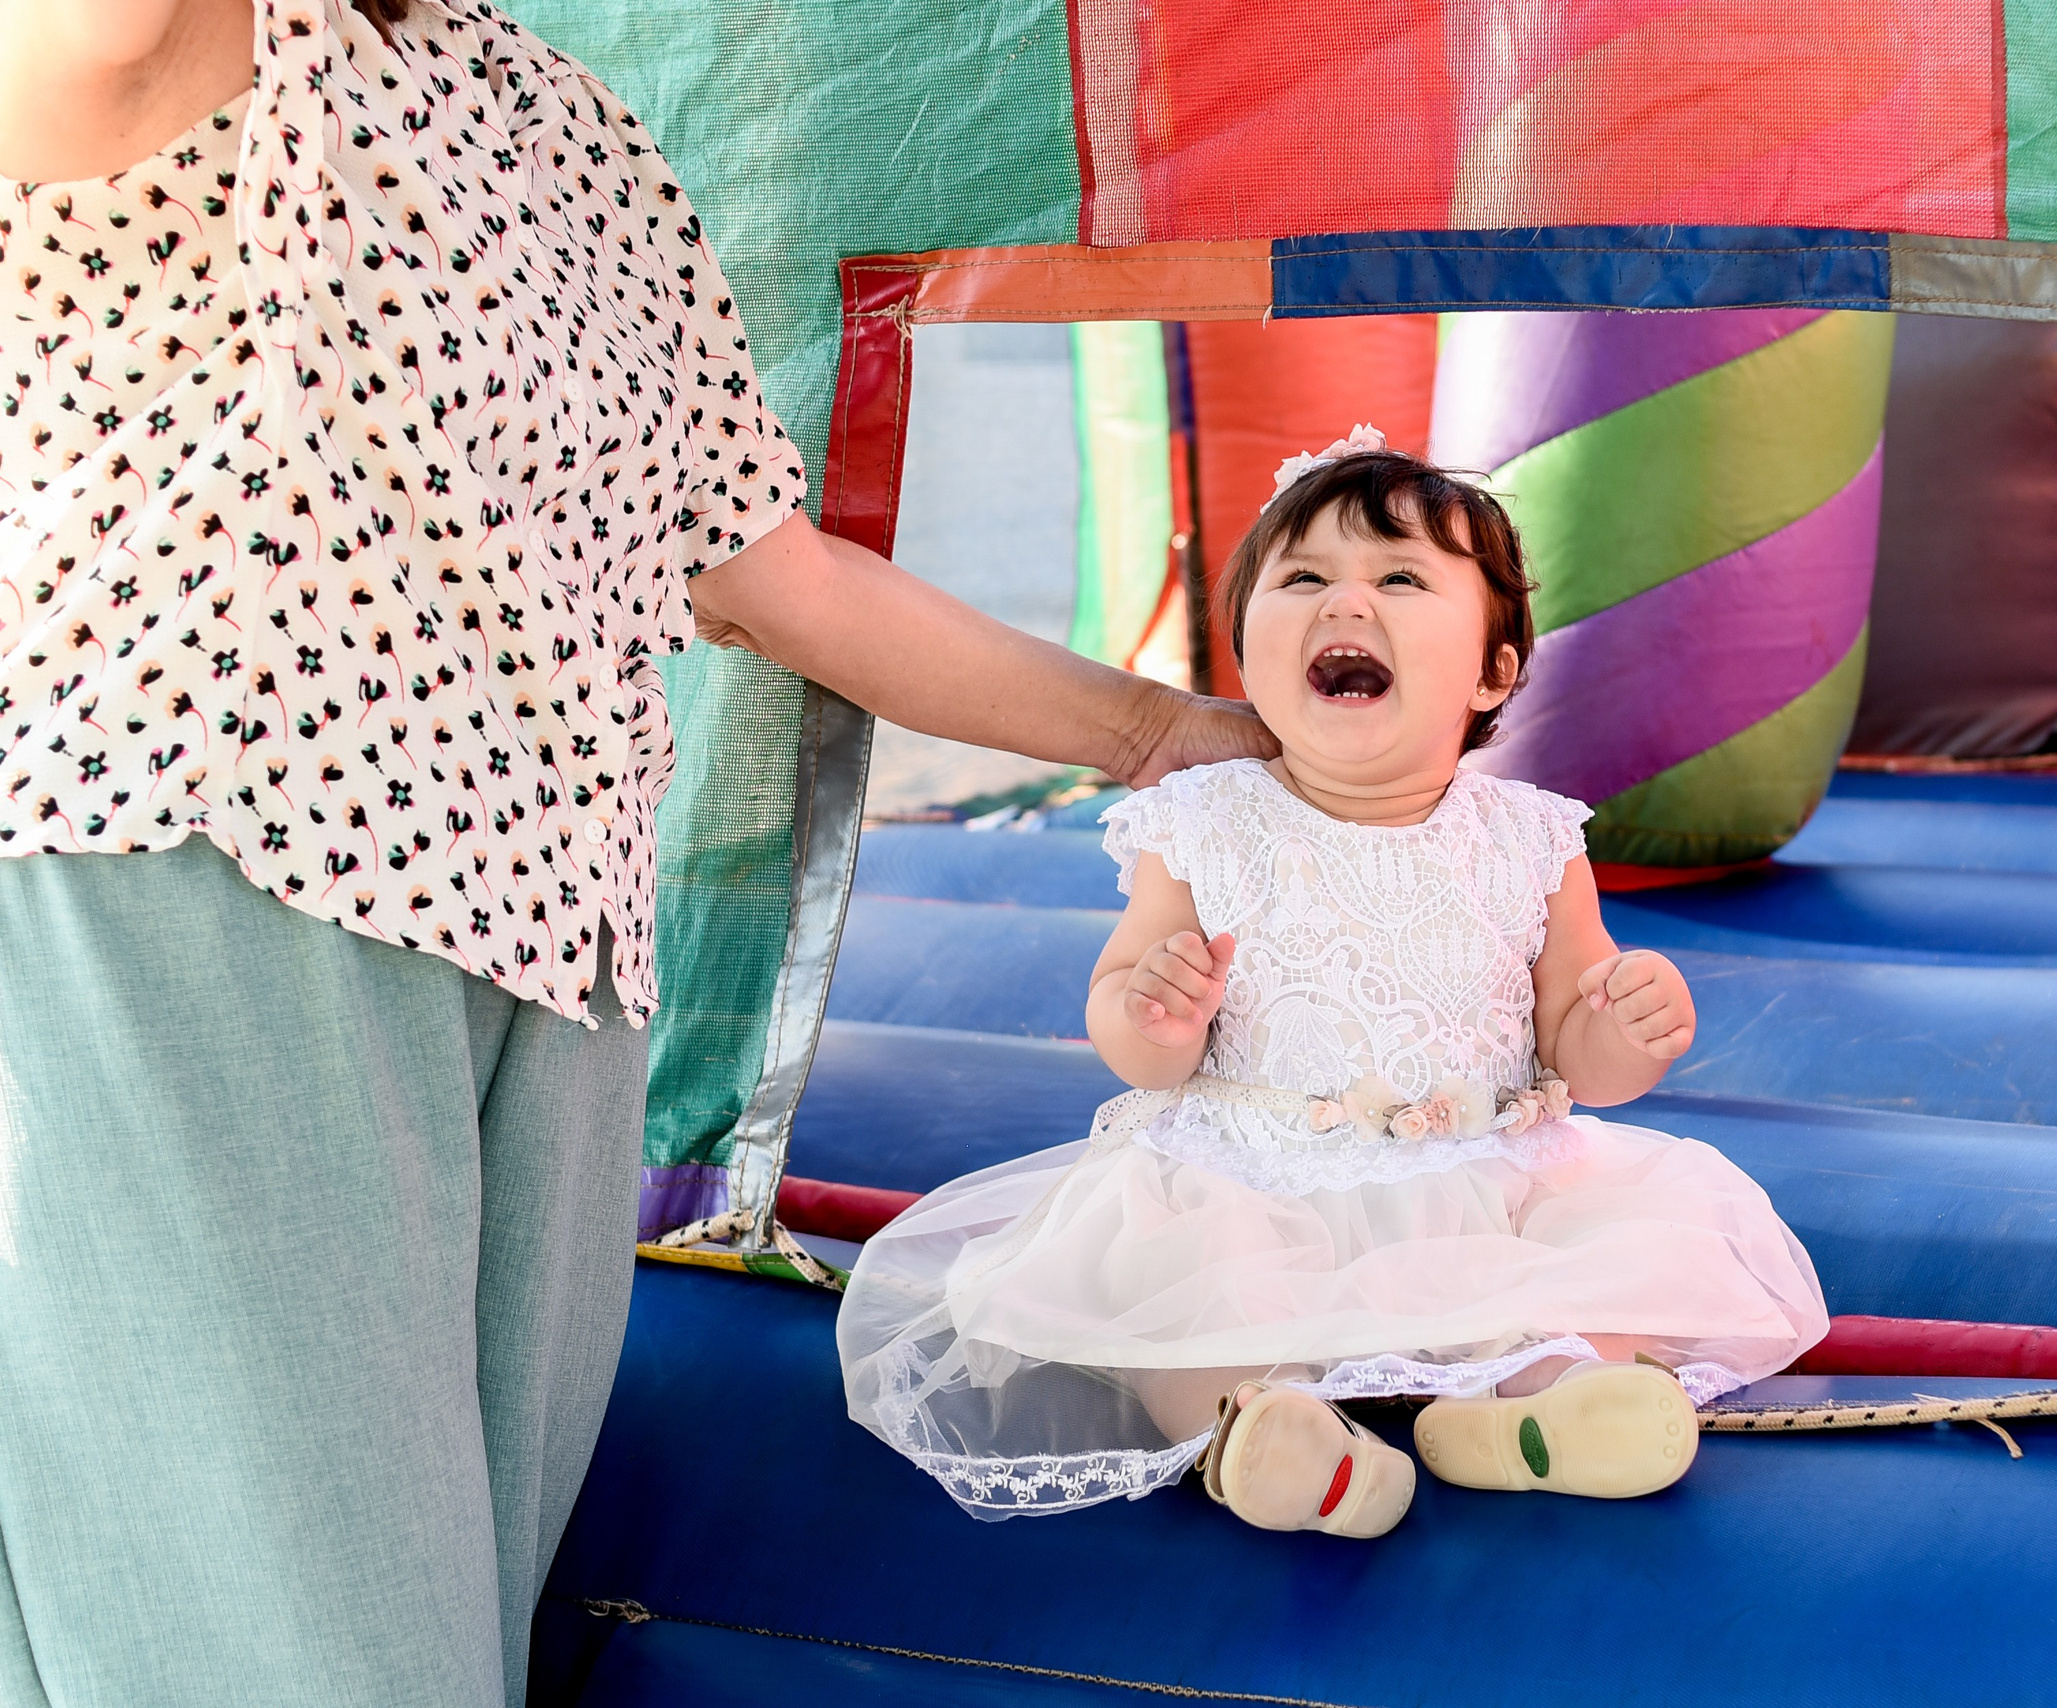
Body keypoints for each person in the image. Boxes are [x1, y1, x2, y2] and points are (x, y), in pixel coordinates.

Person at [0, 0, 1269, 1701]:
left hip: (548, 954)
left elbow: (776, 575)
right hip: (219, 883)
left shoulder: (563, 122)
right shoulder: (179, 45)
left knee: (427, 1636)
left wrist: (1157, 734)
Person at [838, 432, 1828, 1535]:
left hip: (1486, 1189)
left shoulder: (1531, 838)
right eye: (1303, 577)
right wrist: (1153, 1010)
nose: (1345, 601)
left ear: (1493, 672)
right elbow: (1131, 1032)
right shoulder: (1204, 821)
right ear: (1246, 653)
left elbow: (1575, 1044)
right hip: (1249, 1186)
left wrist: (1627, 1027)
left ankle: (1538, 1412)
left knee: (1579, 1278)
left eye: (1400, 579)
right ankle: (1265, 1434)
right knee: (1188, 1304)